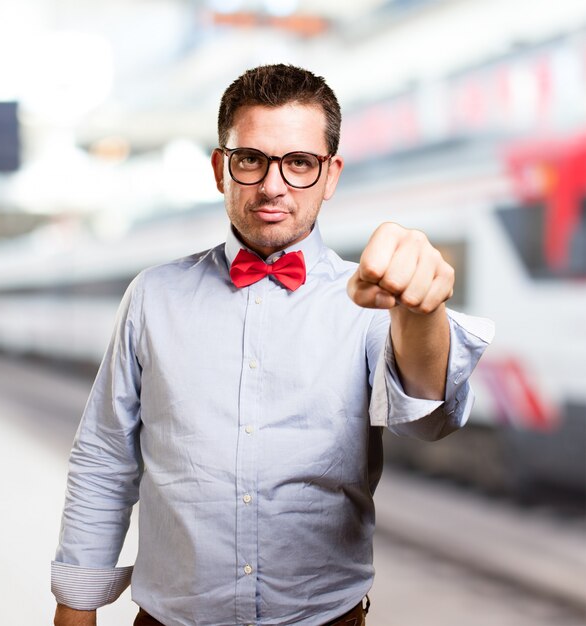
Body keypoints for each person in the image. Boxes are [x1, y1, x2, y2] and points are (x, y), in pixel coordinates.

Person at [52, 64, 493, 626]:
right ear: (220, 168)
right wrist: (76, 602)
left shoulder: (372, 303)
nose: (273, 186)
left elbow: (431, 419)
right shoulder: (151, 297)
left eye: (300, 163)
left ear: (331, 175)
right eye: (251, 158)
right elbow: (104, 459)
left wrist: (421, 309)